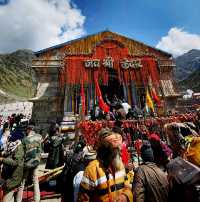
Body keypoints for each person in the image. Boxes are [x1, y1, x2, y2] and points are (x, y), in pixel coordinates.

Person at [78, 127, 133, 202]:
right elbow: (83, 199)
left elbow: (128, 187)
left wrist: (125, 197)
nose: (118, 153)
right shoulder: (92, 170)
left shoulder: (120, 166)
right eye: (115, 150)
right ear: (105, 152)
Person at [17, 124, 42, 202]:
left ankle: (18, 199)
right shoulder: (39, 137)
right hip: (36, 161)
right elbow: (40, 149)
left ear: (29, 130)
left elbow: (22, 153)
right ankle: (37, 199)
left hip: (28, 163)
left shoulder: (24, 140)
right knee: (35, 181)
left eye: (27, 130)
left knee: (22, 182)